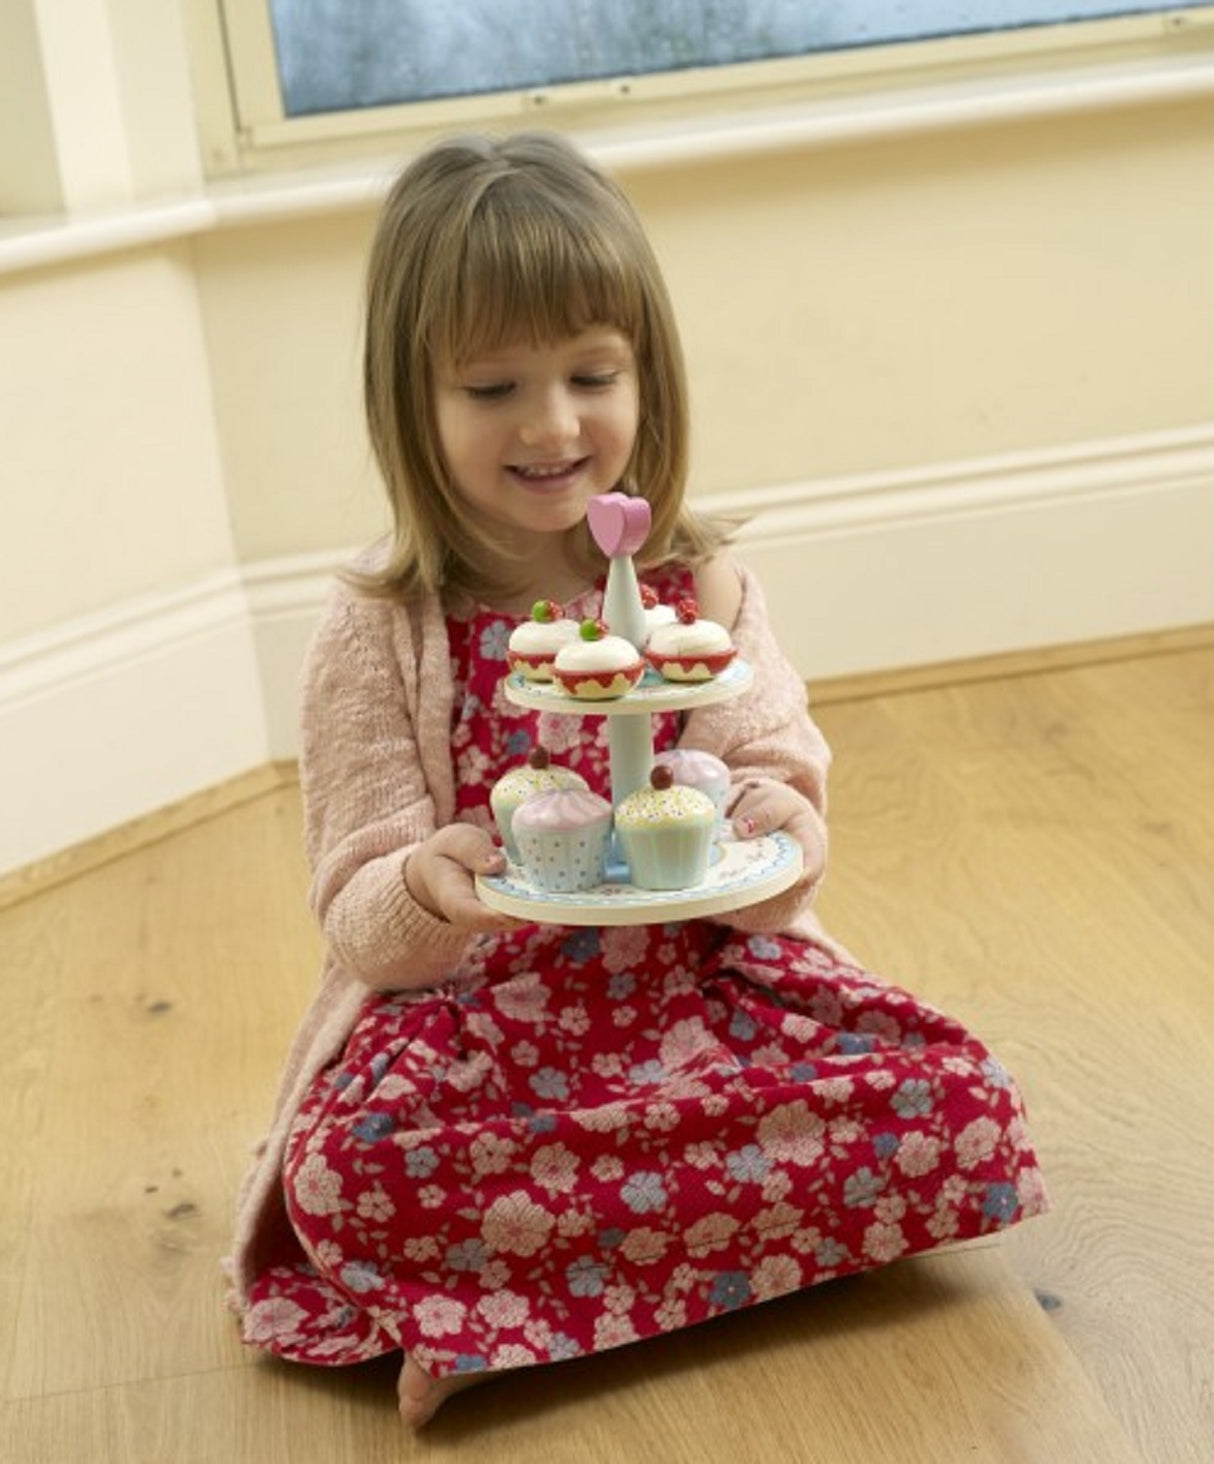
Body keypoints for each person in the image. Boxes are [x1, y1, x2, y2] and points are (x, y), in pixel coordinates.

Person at [225, 132, 1046, 1430]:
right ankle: (591, 1283)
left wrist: (783, 823)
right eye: (492, 385)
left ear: (645, 374)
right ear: (409, 401)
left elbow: (774, 823)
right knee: (346, 1175)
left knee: (953, 1092)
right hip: (483, 1036)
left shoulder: (696, 593)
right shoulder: (382, 629)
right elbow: (361, 917)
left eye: (589, 374)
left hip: (702, 997)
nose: (552, 425)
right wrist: (429, 883)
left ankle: (517, 1300)